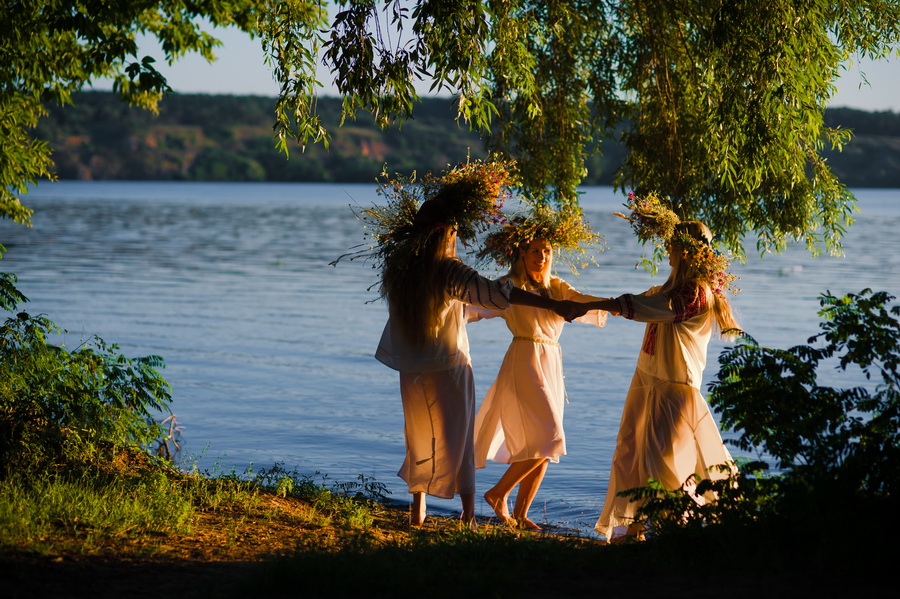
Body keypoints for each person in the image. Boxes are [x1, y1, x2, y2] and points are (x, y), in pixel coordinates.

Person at [371, 163, 583, 529]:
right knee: (459, 437)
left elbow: (461, 309)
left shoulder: (404, 270)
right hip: (449, 364)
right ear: (446, 233)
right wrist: (551, 304)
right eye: (454, 231)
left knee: (418, 433)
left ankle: (417, 511)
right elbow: (497, 294)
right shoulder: (449, 269)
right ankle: (468, 515)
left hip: (413, 365)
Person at [582, 204, 740, 542]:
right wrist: (583, 304)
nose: (666, 249)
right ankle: (633, 532)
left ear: (684, 251)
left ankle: (673, 536)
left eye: (671, 244)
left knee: (662, 466)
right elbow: (638, 303)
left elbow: (644, 308)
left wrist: (589, 306)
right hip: (645, 384)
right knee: (632, 458)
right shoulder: (667, 291)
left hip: (673, 391)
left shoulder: (694, 293)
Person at [470, 237, 608, 530]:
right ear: (522, 253)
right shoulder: (507, 285)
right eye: (535, 251)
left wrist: (611, 304)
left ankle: (521, 515)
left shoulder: (556, 286)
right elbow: (477, 306)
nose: (542, 256)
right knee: (550, 439)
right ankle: (498, 493)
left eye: (547, 251)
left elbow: (580, 300)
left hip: (552, 361)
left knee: (543, 449)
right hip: (525, 358)